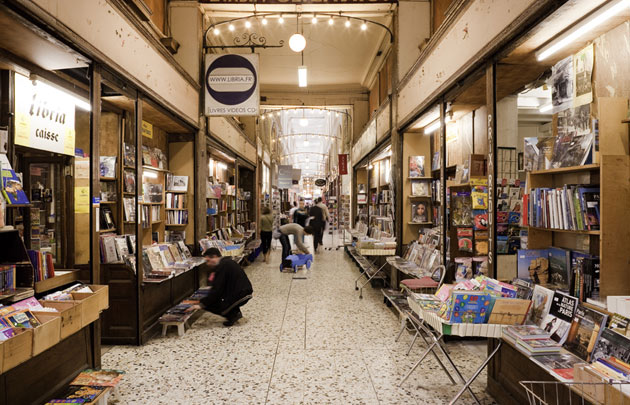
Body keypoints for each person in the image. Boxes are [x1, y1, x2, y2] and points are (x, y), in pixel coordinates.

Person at [198, 248, 253, 326]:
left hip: (241, 294)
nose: (207, 264)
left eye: (208, 260)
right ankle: (235, 312)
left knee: (213, 304)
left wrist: (201, 304)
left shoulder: (222, 266)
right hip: (244, 291)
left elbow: (217, 290)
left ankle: (232, 315)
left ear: (214, 257)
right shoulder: (226, 262)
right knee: (217, 299)